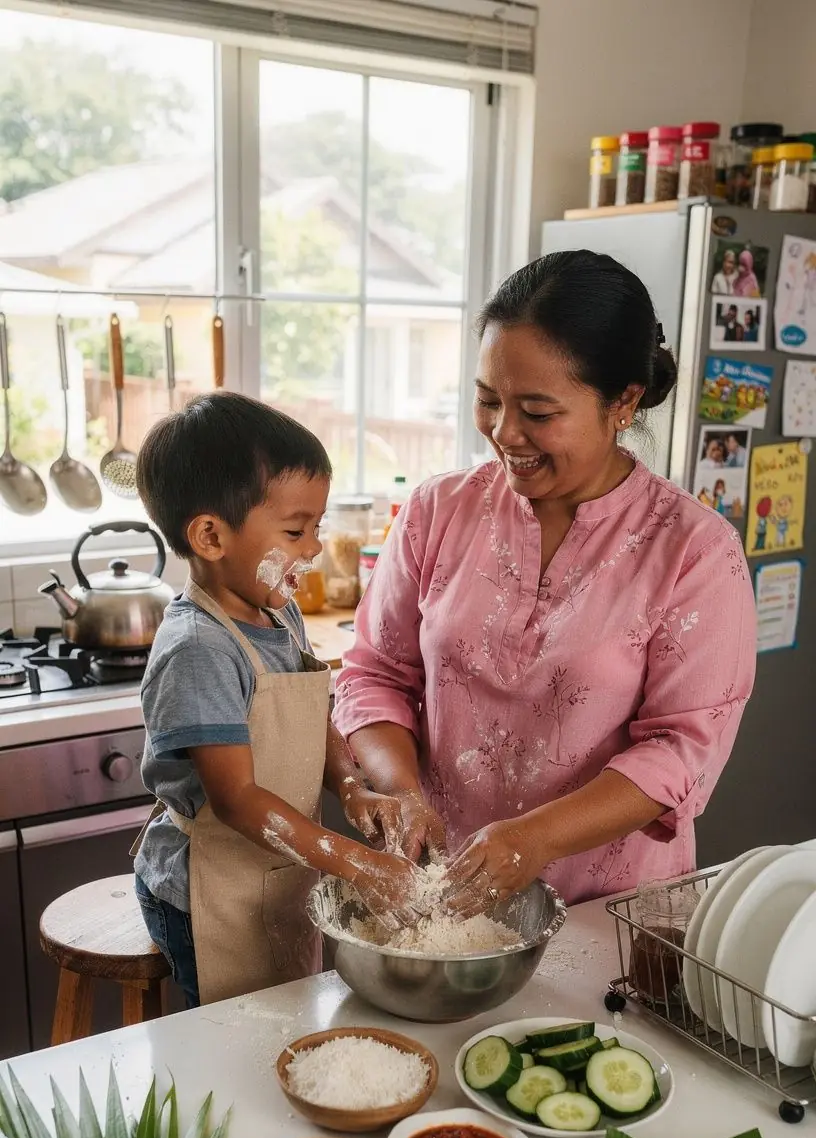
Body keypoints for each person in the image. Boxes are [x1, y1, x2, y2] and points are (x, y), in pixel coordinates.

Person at [334, 251, 756, 912]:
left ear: (623, 402)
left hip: (607, 912)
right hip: (443, 896)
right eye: (487, 400)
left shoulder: (694, 550)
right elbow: (374, 674)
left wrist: (530, 840)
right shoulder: (437, 511)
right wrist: (402, 791)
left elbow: (680, 751)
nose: (504, 433)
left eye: (537, 411)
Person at [133, 393, 421, 1007]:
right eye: (296, 530)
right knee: (229, 1035)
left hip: (278, 869)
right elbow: (237, 802)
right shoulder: (200, 649)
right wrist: (358, 862)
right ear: (211, 536)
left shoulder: (280, 610)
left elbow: (310, 717)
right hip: (208, 891)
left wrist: (350, 785)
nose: (314, 547)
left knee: (280, 1016)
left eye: (315, 526)